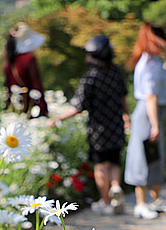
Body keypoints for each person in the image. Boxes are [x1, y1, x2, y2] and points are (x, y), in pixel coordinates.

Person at [49, 35, 130, 215]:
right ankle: (116, 186)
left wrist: (59, 118)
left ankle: (107, 202)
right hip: (116, 124)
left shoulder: (90, 78)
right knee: (114, 161)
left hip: (98, 130)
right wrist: (126, 117)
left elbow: (78, 107)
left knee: (101, 164)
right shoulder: (115, 72)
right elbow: (123, 98)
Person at [123, 23, 166, 220]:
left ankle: (156, 200)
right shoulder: (148, 64)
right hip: (148, 115)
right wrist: (154, 124)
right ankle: (141, 204)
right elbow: (150, 96)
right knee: (143, 157)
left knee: (156, 157)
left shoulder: (155, 62)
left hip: (155, 114)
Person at [4, 23, 49, 118]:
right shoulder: (28, 59)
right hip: (30, 108)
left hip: (15, 110)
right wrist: (43, 109)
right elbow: (36, 85)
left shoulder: (9, 62)